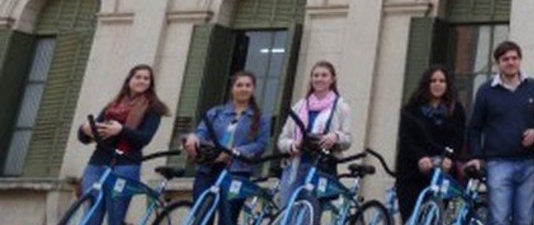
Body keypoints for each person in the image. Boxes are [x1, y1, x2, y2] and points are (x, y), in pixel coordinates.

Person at [75, 64, 171, 225]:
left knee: (115, 217)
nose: (142, 81)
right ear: (129, 80)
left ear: (150, 83)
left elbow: (144, 138)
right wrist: (84, 130)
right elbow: (87, 138)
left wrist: (121, 130)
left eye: (146, 78)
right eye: (138, 77)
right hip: (97, 163)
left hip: (126, 165)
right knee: (91, 216)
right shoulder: (112, 106)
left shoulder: (153, 108)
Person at [465, 41, 534, 225]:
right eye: (505, 59)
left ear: (520, 60)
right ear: (497, 63)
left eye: (514, 58)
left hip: (528, 164)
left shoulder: (533, 87)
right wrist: (476, 156)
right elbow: (474, 128)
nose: (510, 62)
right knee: (499, 219)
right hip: (497, 164)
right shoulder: (486, 91)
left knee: (525, 219)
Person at [184, 71, 272, 225]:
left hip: (237, 172)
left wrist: (235, 151)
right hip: (208, 169)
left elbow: (261, 144)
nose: (243, 89)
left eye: (248, 85)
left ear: (253, 89)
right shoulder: (216, 112)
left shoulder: (261, 118)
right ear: (232, 88)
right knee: (202, 217)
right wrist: (193, 137)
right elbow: (201, 132)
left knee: (228, 217)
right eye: (239, 85)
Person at [277, 60, 353, 206]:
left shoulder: (341, 107)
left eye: (324, 75)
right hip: (296, 165)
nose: (319, 79)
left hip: (321, 167)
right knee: (286, 211)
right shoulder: (299, 106)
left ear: (332, 79)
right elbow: (282, 139)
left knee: (310, 212)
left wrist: (336, 136)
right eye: (316, 75)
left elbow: (347, 139)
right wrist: (292, 145)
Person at [396, 65, 466, 222]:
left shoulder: (456, 110)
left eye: (442, 81)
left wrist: (449, 158)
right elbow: (406, 138)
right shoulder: (411, 109)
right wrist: (420, 157)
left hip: (442, 171)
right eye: (433, 81)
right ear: (426, 84)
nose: (437, 84)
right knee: (412, 217)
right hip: (412, 171)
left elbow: (458, 138)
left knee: (437, 217)